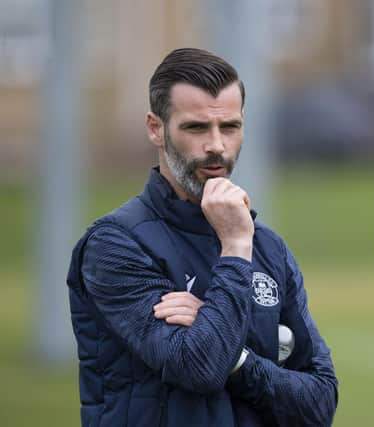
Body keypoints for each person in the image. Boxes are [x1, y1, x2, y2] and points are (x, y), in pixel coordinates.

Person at [66, 48, 338, 426]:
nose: (216, 145)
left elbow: (320, 405)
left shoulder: (268, 247)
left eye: (229, 127)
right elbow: (200, 367)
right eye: (196, 127)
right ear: (155, 128)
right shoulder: (114, 245)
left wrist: (241, 358)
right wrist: (236, 249)